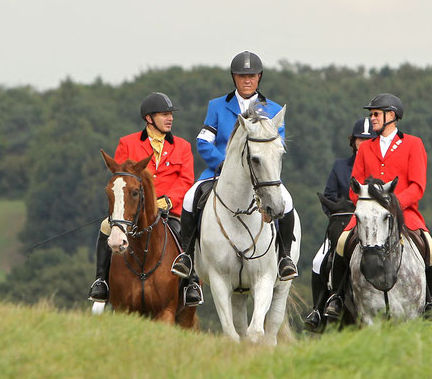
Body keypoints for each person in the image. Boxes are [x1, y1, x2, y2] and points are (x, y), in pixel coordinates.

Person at [171, 51, 298, 305]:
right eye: (242, 76)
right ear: (234, 78)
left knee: (287, 200)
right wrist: (223, 164)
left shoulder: (272, 110)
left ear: (259, 77)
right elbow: (204, 140)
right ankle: (186, 257)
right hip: (220, 173)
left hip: (262, 175)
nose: (247, 80)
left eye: (251, 76)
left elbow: (277, 144)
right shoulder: (217, 106)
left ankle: (284, 256)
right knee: (189, 197)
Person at [324, 93, 432, 319]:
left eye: (376, 114)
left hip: (405, 214)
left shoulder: (413, 144)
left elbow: (417, 187)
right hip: (368, 216)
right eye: (372, 114)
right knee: (341, 243)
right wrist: (367, 207)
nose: (372, 118)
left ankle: (429, 301)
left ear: (392, 116)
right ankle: (336, 297)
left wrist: (393, 206)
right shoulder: (366, 147)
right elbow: (353, 187)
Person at [88, 92, 194, 302]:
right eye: (164, 114)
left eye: (170, 114)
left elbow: (186, 179)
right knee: (105, 227)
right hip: (134, 210)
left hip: (169, 208)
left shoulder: (182, 146)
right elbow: (120, 177)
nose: (170, 118)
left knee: (190, 231)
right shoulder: (127, 143)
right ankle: (101, 281)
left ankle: (192, 284)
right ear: (149, 118)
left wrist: (169, 199)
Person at [304, 117, 376, 331]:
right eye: (359, 139)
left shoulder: (378, 168)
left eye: (368, 139)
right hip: (343, 224)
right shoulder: (340, 167)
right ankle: (318, 310)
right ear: (353, 142)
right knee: (318, 261)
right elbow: (329, 196)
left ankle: (428, 299)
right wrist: (338, 215)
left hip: (371, 226)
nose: (363, 143)